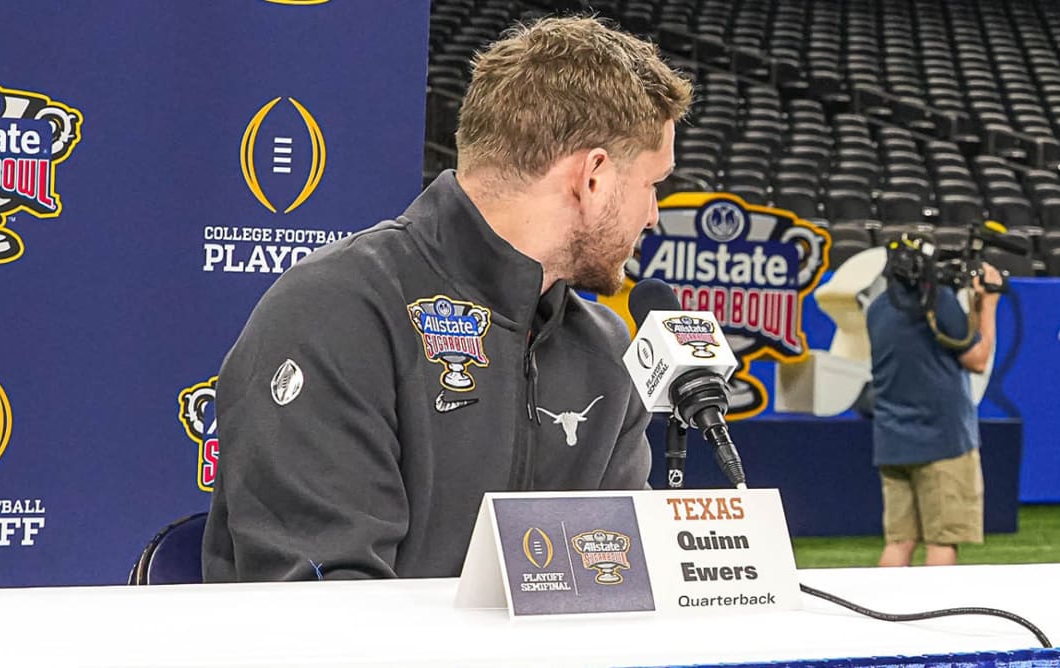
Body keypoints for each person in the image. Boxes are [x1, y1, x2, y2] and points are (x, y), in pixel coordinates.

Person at [202, 16, 693, 581]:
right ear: (594, 177)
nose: (654, 215)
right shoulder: (337, 310)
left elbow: (620, 586)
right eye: (654, 184)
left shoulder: (605, 351)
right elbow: (326, 613)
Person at [866, 235, 1001, 567]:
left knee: (899, 542)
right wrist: (990, 302)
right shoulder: (937, 303)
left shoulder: (877, 309)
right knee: (942, 541)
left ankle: (881, 616)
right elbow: (978, 358)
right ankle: (937, 616)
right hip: (942, 442)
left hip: (893, 440)